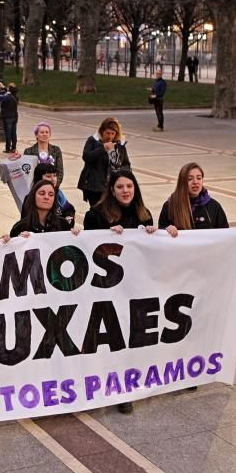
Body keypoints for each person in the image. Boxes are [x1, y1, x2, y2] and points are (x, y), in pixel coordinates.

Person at [82, 168, 157, 414]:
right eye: (120, 187)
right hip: (106, 289)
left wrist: (158, 236)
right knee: (109, 338)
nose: (125, 191)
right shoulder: (96, 215)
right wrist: (104, 237)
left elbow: (151, 252)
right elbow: (86, 248)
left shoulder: (144, 215)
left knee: (129, 337)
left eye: (129, 186)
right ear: (111, 191)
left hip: (134, 289)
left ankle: (124, 388)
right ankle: (103, 384)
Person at [158, 162, 236, 238]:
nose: (195, 182)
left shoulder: (214, 206)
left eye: (199, 178)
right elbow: (160, 238)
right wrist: (166, 230)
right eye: (190, 179)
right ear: (182, 182)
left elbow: (224, 234)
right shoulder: (170, 206)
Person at [78, 117, 130, 206]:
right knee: (97, 211)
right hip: (95, 186)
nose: (110, 136)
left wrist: (123, 174)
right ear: (102, 131)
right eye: (107, 133)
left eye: (113, 133)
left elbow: (126, 164)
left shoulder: (120, 145)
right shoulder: (93, 141)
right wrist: (103, 149)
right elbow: (87, 157)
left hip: (114, 185)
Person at [5, 179, 78, 238]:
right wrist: (17, 241)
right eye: (42, 193)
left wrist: (76, 236)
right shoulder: (20, 227)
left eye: (51, 195)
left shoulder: (63, 224)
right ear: (33, 197)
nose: (46, 197)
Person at [34, 162, 75, 229]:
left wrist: (68, 217)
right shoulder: (30, 196)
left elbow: (69, 208)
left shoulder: (58, 193)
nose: (53, 179)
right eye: (48, 176)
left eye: (55, 175)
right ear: (39, 177)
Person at [21, 122, 64, 187]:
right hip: (35, 187)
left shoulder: (56, 150)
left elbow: (60, 171)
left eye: (47, 132)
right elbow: (27, 172)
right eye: (42, 132)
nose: (45, 134)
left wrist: (55, 186)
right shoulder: (28, 151)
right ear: (36, 135)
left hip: (53, 186)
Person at [0, 83, 19, 153]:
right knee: (13, 132)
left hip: (7, 117)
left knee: (8, 133)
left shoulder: (7, 97)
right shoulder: (16, 97)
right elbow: (6, 93)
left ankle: (8, 148)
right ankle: (14, 147)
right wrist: (5, 88)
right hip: (14, 116)